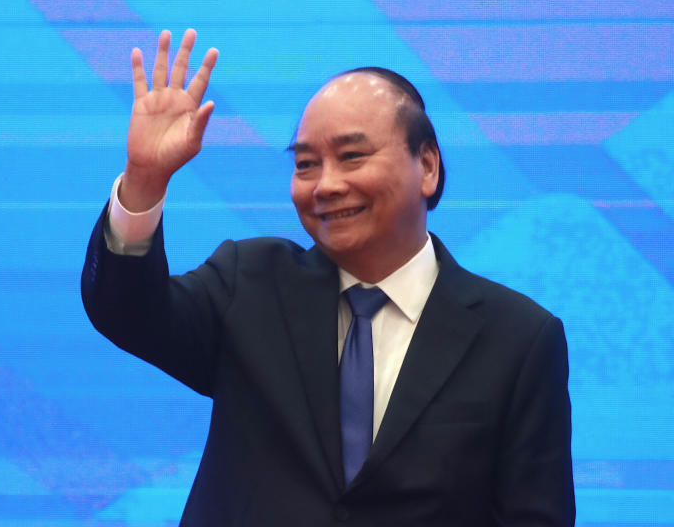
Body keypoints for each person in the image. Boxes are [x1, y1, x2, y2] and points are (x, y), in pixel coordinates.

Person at [81, 29, 574, 525]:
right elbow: (127, 312)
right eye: (305, 164)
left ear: (426, 165)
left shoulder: (519, 339)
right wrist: (145, 180)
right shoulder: (248, 284)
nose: (326, 185)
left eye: (352, 156)